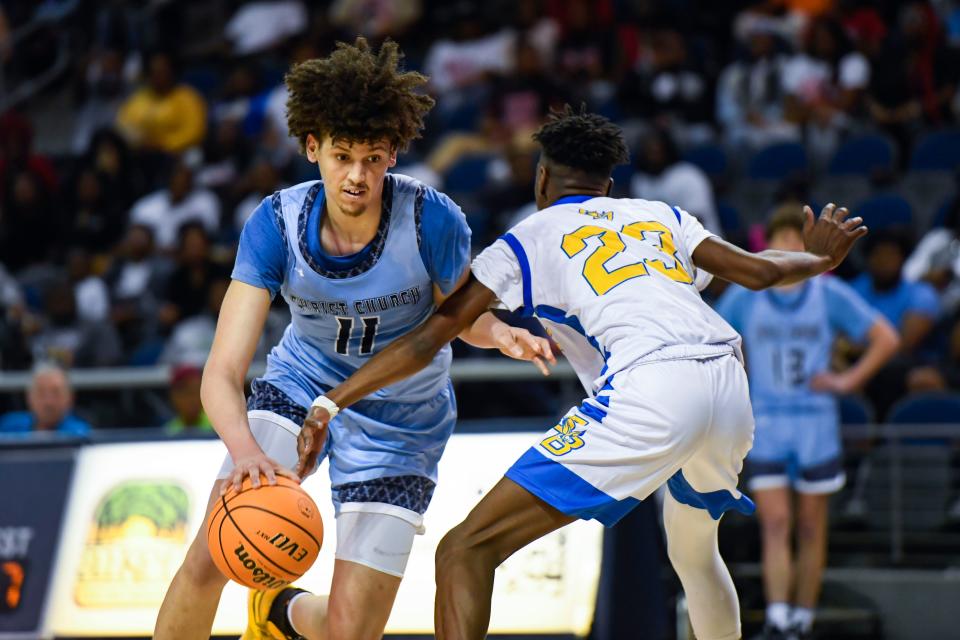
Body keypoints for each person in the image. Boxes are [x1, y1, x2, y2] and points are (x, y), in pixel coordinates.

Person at [293, 105, 870, 640]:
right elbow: (762, 273)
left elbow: (427, 339)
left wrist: (330, 401)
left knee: (464, 550)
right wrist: (818, 259)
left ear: (541, 181)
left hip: (653, 388)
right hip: (728, 381)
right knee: (695, 553)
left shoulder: (530, 234)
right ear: (609, 187)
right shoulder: (659, 214)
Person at [153, 38, 550, 640]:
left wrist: (501, 334)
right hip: (300, 385)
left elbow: (459, 316)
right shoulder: (275, 223)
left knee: (349, 632)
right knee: (211, 557)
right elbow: (222, 371)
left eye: (372, 157)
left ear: (393, 153)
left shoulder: (432, 219)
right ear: (313, 149)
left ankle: (280, 613)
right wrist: (247, 453)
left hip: (402, 419)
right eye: (342, 156)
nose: (357, 175)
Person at [715, 205, 899, 640]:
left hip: (816, 421)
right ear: (768, 247)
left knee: (813, 526)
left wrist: (846, 380)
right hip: (768, 422)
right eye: (781, 239)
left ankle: (803, 619)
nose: (789, 248)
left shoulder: (827, 293)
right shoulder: (747, 294)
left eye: (797, 240)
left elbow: (885, 338)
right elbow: (714, 339)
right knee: (776, 523)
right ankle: (779, 619)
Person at [0, 363, 91, 436]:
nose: (48, 402)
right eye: (41, 393)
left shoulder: (80, 434)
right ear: (29, 397)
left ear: (70, 398)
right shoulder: (8, 428)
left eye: (56, 393)